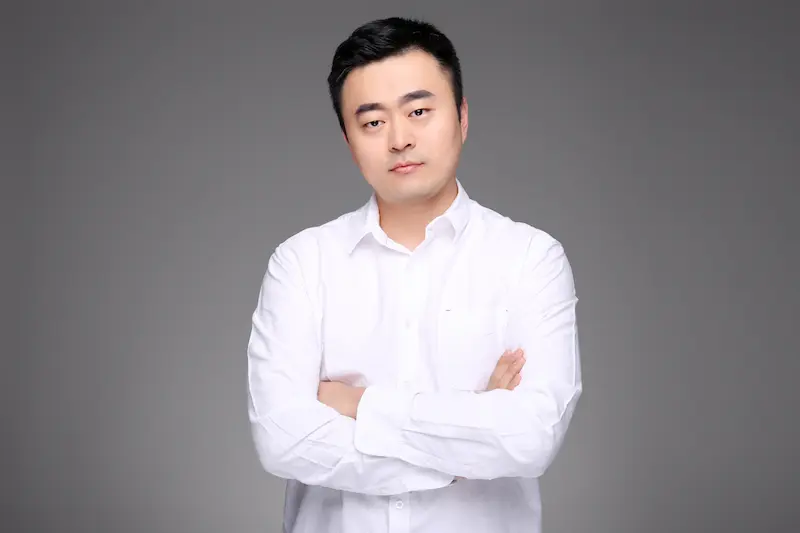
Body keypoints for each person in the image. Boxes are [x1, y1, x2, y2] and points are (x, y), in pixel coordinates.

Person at [246, 16, 582, 533]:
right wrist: (466, 442)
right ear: (348, 139)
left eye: (419, 111)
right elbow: (283, 439)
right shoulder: (301, 264)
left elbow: (529, 439)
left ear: (462, 116)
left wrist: (360, 405)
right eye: (373, 123)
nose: (399, 139)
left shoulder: (530, 258)